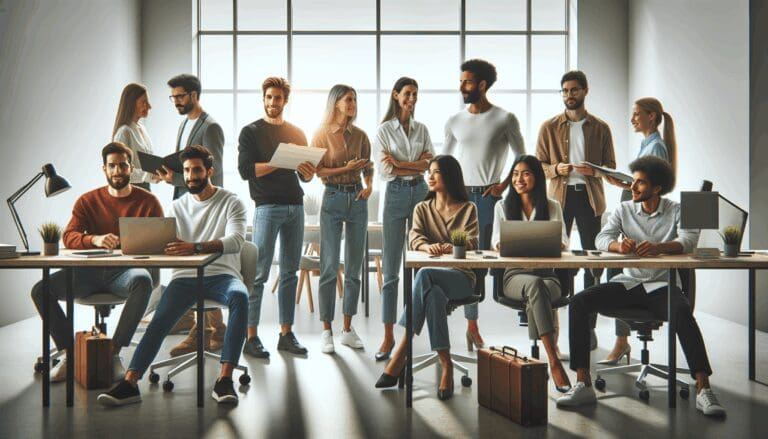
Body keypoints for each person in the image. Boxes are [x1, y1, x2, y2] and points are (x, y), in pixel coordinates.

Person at [556, 156, 726, 417]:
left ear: (657, 188)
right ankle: (583, 383)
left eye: (640, 183)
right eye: (633, 182)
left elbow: (689, 241)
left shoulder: (677, 210)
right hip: (629, 284)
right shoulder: (624, 209)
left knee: (681, 311)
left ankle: (703, 389)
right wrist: (617, 246)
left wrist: (659, 248)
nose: (632, 188)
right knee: (580, 301)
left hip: (662, 285)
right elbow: (602, 238)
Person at [98, 145, 249, 406]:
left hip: (222, 275)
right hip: (185, 278)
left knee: (240, 297)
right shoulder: (176, 206)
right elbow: (164, 244)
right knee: (158, 321)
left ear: (209, 171)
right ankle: (130, 383)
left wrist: (196, 247)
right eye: (187, 171)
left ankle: (224, 380)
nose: (191, 176)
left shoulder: (231, 202)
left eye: (197, 170)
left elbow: (236, 240)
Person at [31, 142, 163, 383]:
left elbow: (160, 240)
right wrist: (95, 239)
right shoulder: (87, 200)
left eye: (123, 165)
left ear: (130, 168)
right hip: (87, 274)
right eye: (112, 166)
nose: (117, 171)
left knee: (143, 280)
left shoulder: (149, 202)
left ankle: (112, 354)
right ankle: (69, 355)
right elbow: (69, 236)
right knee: (41, 290)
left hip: (126, 274)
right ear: (104, 169)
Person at [375, 155, 478, 401]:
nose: (429, 177)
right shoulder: (422, 208)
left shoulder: (468, 208)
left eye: (436, 172)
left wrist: (448, 244)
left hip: (461, 278)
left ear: (450, 177)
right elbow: (415, 237)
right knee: (433, 295)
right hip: (432, 281)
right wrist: (426, 248)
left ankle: (401, 352)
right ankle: (447, 365)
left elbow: (472, 242)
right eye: (428, 172)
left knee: (424, 274)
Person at [444, 58, 525, 348]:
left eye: (466, 81)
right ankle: (472, 326)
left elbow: (521, 156)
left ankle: (494, 317)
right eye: (461, 80)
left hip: (489, 200)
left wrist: (502, 185)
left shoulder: (505, 119)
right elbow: (445, 161)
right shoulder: (454, 120)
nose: (461, 86)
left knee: (484, 261)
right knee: (463, 260)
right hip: (460, 199)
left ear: (481, 85)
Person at [535, 70, 616, 350]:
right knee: (557, 261)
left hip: (590, 198)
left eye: (574, 90)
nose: (569, 95)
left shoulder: (601, 128)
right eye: (565, 91)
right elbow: (539, 167)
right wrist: (556, 169)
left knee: (594, 263)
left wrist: (593, 170)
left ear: (585, 91)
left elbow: (611, 167)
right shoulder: (548, 127)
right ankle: (554, 330)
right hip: (560, 198)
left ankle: (588, 327)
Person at [237, 77, 316, 358]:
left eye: (278, 98)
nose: (273, 103)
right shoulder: (250, 132)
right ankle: (251, 336)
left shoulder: (297, 132)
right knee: (258, 274)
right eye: (269, 97)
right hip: (266, 208)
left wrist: (308, 171)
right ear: (263, 98)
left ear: (285, 100)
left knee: (289, 273)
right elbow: (246, 170)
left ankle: (286, 333)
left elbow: (305, 177)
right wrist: (278, 162)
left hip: (295, 206)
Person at [600, 97, 679, 365]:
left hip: (641, 225)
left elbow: (648, 187)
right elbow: (640, 183)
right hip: (631, 219)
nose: (632, 119)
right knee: (617, 271)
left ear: (652, 117)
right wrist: (620, 182)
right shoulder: (648, 144)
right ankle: (621, 342)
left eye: (637, 114)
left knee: (620, 275)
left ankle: (621, 342)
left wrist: (624, 186)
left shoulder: (656, 146)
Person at [156, 73, 227, 354]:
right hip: (184, 203)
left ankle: (203, 330)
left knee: (202, 268)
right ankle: (214, 329)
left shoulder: (211, 127)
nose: (175, 102)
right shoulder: (184, 124)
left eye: (180, 96)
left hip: (203, 209)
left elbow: (215, 171)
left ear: (194, 95)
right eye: (172, 97)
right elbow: (185, 167)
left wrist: (174, 178)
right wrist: (169, 175)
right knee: (189, 266)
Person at [491, 154, 571, 392]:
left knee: (539, 287)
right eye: (515, 174)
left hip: (549, 276)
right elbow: (496, 241)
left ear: (536, 177)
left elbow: (564, 240)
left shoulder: (552, 206)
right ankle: (553, 360)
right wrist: (504, 244)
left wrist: (552, 242)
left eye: (525, 173)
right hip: (515, 276)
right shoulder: (502, 206)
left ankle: (542, 358)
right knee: (536, 287)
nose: (519, 179)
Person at [373, 77, 434, 361]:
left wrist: (401, 163)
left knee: (422, 264)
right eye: (408, 93)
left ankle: (413, 332)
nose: (413, 98)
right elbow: (385, 171)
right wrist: (412, 165)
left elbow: (429, 165)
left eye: (416, 94)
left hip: (421, 192)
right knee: (392, 268)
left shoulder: (422, 128)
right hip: (396, 195)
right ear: (396, 96)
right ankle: (387, 337)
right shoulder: (384, 130)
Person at [312, 84, 374, 354]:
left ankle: (347, 329)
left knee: (354, 268)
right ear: (335, 103)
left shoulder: (360, 135)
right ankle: (327, 330)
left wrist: (369, 184)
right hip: (333, 198)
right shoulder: (321, 134)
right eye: (348, 99)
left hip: (358, 200)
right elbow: (317, 171)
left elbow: (368, 166)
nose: (352, 104)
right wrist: (344, 168)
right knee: (328, 267)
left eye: (355, 100)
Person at [112, 83, 160, 191]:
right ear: (132, 104)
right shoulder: (124, 132)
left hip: (145, 189)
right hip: (131, 191)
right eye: (144, 102)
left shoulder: (142, 129)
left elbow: (146, 163)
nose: (149, 106)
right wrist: (148, 175)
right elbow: (120, 170)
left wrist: (160, 171)